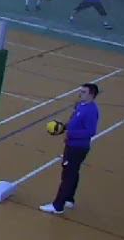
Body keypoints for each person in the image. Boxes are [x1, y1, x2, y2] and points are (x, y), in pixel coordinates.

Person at [40, 83, 100, 215]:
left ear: (91, 94)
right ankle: (69, 199)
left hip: (77, 148)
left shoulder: (91, 111)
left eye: (83, 92)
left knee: (68, 176)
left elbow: (91, 131)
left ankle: (58, 206)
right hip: (71, 145)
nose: (80, 94)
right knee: (73, 172)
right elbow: (73, 122)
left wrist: (71, 134)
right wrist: (63, 127)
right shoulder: (80, 105)